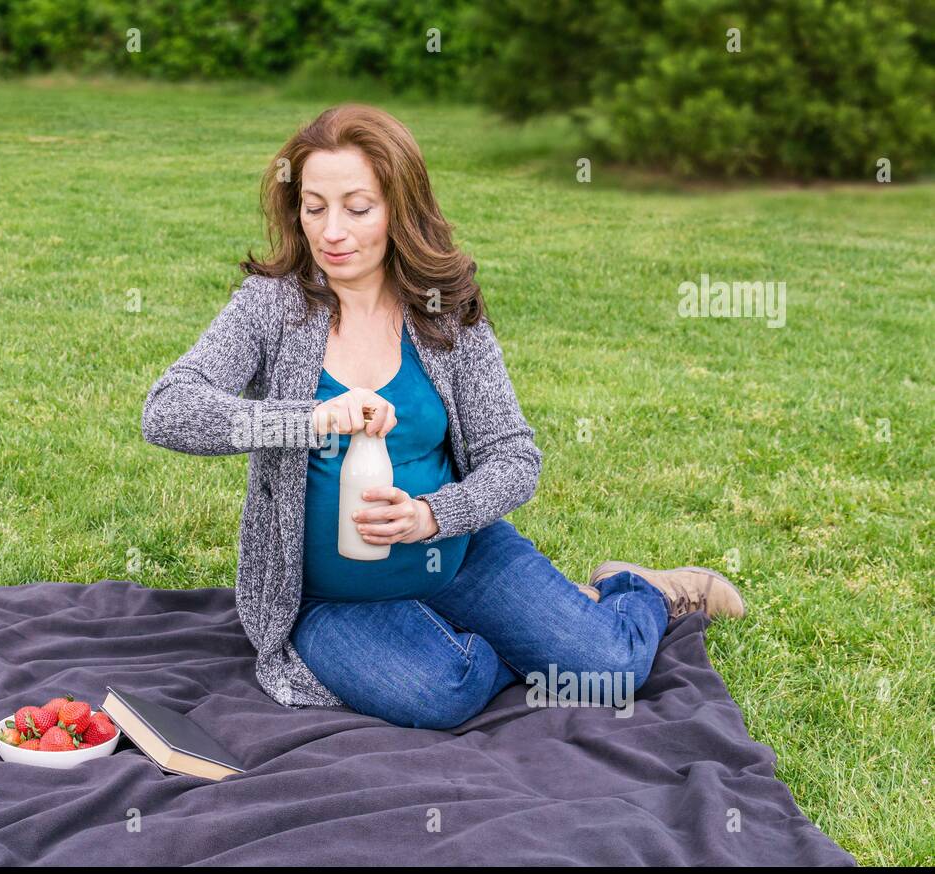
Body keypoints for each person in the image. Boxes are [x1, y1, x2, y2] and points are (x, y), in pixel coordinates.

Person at [141, 104, 745, 728]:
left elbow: (515, 458)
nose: (331, 232)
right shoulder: (271, 307)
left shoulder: (443, 313)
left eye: (358, 207)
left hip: (456, 553)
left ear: (400, 209)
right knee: (440, 694)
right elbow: (168, 411)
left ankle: (633, 591)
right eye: (314, 206)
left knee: (604, 670)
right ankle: (520, 631)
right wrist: (309, 418)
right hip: (330, 600)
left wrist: (433, 515)